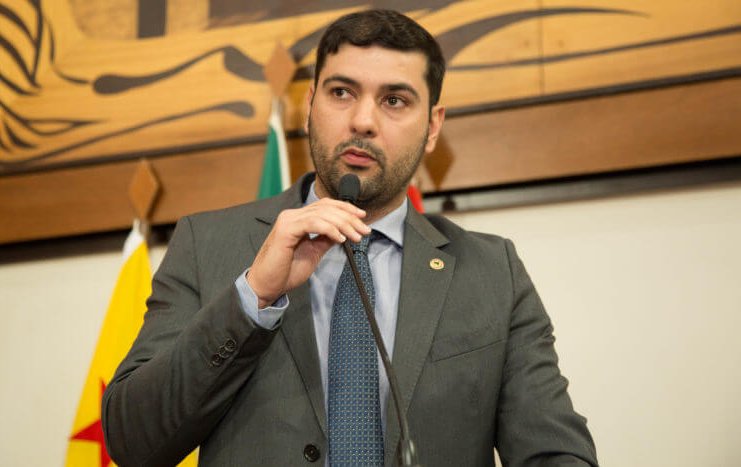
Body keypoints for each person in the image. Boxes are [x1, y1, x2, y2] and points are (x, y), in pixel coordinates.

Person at [103, 9, 598, 467]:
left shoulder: (492, 273)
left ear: (432, 127)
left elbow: (555, 453)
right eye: (341, 93)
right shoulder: (207, 244)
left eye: (394, 100)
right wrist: (253, 298)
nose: (362, 121)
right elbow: (132, 441)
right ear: (308, 106)